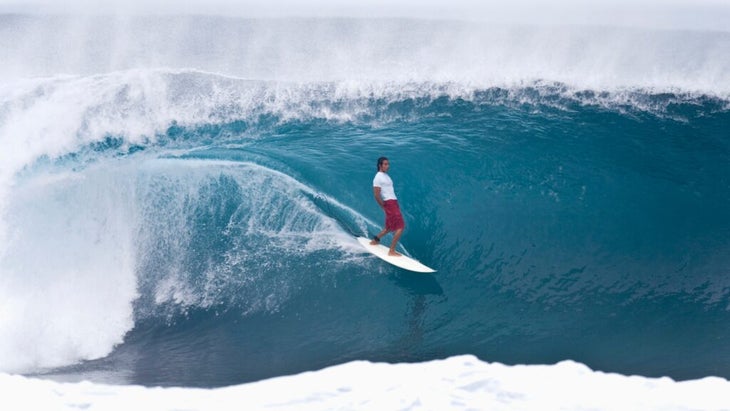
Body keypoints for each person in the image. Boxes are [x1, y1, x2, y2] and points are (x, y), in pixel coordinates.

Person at [370, 157, 404, 256]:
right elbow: (376, 195)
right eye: (385, 164)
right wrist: (383, 206)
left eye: (388, 164)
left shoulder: (385, 176)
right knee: (400, 226)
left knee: (389, 227)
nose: (387, 166)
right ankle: (391, 251)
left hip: (393, 202)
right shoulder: (378, 177)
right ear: (380, 165)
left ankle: (375, 240)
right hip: (389, 203)